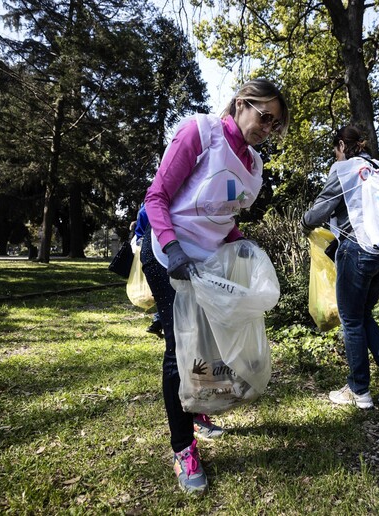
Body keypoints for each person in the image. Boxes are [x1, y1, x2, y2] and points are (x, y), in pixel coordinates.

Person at [142, 78, 289, 495]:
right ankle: (182, 448)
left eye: (274, 124)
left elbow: (222, 216)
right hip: (167, 251)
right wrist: (173, 250)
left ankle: (199, 409)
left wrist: (240, 243)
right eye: (265, 117)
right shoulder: (200, 133)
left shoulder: (254, 165)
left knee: (206, 343)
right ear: (242, 102)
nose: (268, 128)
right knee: (180, 347)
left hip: (206, 260)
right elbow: (157, 197)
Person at [301, 125, 379, 410]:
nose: (335, 156)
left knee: (351, 320)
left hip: (358, 250)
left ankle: (358, 389)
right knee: (362, 315)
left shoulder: (345, 169)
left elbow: (320, 210)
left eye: (335, 150)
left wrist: (304, 223)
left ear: (341, 145)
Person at [130, 203, 162, 337]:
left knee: (160, 292)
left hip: (147, 253)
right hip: (160, 252)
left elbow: (138, 236)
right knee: (168, 292)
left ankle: (159, 321)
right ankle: (159, 320)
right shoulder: (158, 205)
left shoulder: (144, 208)